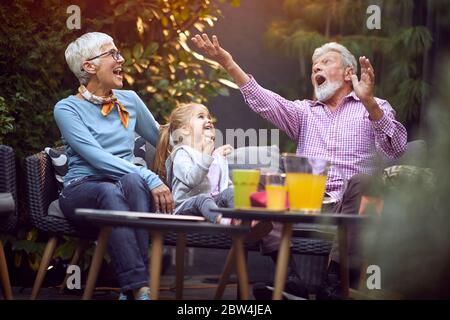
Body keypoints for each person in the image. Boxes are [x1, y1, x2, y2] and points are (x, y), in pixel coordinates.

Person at [191, 34, 408, 299]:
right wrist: (228, 63)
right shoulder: (304, 112)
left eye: (326, 62)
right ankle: (290, 276)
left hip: (352, 202)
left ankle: (335, 281)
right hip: (304, 198)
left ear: (349, 72)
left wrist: (370, 103)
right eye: (314, 64)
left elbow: (396, 149)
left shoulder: (374, 108)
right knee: (258, 182)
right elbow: (264, 101)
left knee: (365, 182)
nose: (316, 67)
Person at [54, 32, 174, 300]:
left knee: (132, 182)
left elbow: (163, 140)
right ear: (89, 66)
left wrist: (201, 142)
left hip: (124, 188)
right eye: (112, 54)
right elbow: (95, 157)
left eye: (119, 53)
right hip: (81, 189)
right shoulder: (67, 108)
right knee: (115, 188)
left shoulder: (129, 100)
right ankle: (139, 287)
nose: (121, 59)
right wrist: (149, 176)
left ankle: (132, 288)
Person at [153, 102, 273, 239]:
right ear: (185, 129)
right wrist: (206, 155)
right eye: (201, 116)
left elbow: (225, 186)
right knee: (203, 198)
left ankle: (244, 220)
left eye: (209, 117)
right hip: (186, 207)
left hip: (213, 205)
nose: (208, 120)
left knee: (231, 191)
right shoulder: (181, 153)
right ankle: (229, 223)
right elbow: (191, 180)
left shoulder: (216, 157)